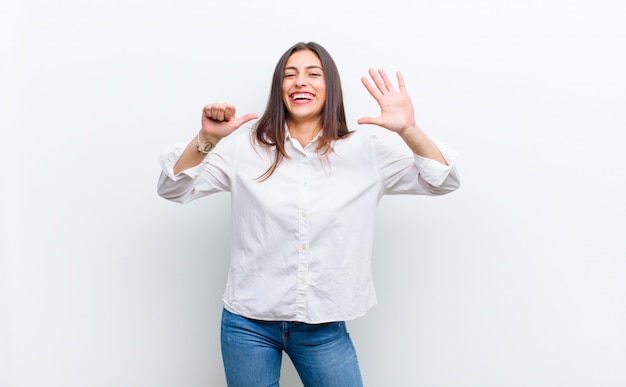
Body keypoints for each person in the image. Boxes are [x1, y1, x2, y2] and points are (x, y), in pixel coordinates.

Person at [157, 41, 460, 387]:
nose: (300, 81)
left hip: (324, 328)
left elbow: (442, 181)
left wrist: (408, 129)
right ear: (280, 89)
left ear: (329, 88)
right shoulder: (246, 148)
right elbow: (174, 189)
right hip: (247, 324)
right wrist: (206, 140)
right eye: (290, 75)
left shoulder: (364, 152)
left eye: (313, 74)